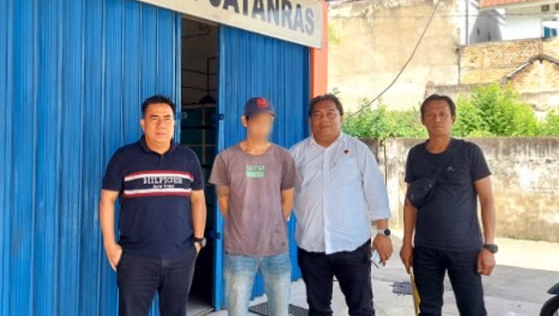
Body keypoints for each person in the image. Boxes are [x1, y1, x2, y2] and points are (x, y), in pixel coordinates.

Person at [99, 95, 207, 316]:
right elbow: (107, 200)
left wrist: (198, 242)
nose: (161, 124)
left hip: (180, 258)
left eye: (167, 118)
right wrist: (110, 246)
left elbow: (198, 199)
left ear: (174, 123)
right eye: (154, 118)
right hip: (135, 259)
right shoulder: (124, 157)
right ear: (143, 123)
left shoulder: (188, 158)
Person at [290, 94, 392, 316]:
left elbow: (376, 192)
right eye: (318, 114)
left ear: (341, 117)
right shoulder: (296, 154)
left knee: (361, 309)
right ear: (310, 120)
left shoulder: (358, 150)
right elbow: (284, 194)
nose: (324, 119)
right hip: (312, 246)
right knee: (318, 309)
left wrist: (383, 233)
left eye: (330, 114)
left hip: (352, 245)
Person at [399, 94, 496, 316]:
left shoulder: (470, 152)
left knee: (473, 310)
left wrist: (489, 247)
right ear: (422, 120)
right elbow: (410, 202)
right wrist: (406, 243)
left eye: (443, 114)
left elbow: (487, 199)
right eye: (431, 114)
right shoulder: (415, 155)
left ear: (453, 118)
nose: (437, 119)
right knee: (428, 309)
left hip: (465, 249)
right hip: (425, 249)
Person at [210, 97, 299, 316]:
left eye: (268, 122)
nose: (263, 127)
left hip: (276, 250)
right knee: (237, 311)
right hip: (238, 252)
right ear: (245, 121)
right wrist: (241, 222)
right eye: (258, 121)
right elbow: (223, 198)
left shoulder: (283, 157)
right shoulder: (226, 158)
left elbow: (288, 199)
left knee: (280, 311)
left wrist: (274, 224)